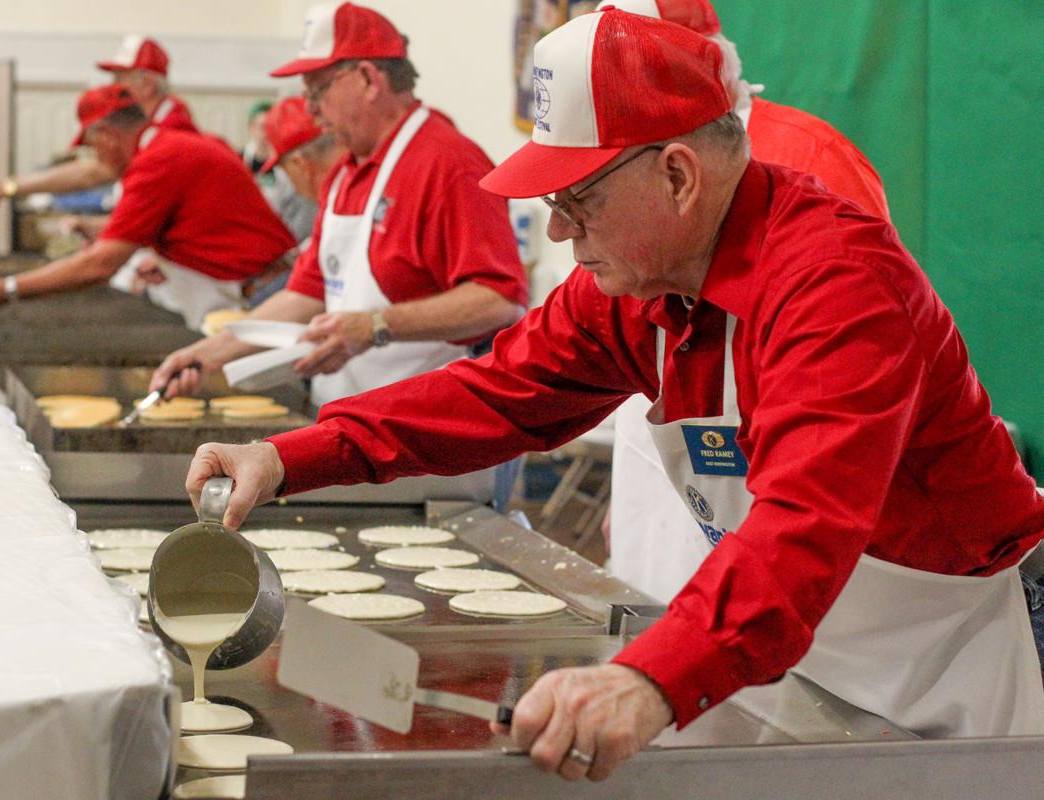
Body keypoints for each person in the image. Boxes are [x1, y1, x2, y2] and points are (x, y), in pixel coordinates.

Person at [184, 9, 1044, 782]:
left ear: (678, 176)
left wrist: (648, 680)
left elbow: (803, 528)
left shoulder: (836, 286)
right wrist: (286, 458)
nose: (558, 229)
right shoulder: (639, 289)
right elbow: (496, 393)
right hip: (778, 660)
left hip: (931, 675)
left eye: (576, 199)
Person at [599, 0, 892, 603]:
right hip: (660, 445)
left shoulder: (811, 155)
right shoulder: (618, 157)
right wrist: (624, 493)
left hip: (770, 470)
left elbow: (859, 355)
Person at [150, 1, 526, 411]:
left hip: (423, 421)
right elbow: (307, 293)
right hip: (350, 413)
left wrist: (375, 325)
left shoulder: (448, 164)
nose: (311, 109)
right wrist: (208, 353)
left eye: (318, 90)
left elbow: (498, 301)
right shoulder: (347, 173)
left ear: (368, 79)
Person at [0, 85, 295, 328]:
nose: (95, 157)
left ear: (106, 136)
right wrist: (6, 188)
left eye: (93, 146)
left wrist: (7, 288)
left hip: (265, 293)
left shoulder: (157, 161)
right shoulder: (166, 145)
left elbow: (100, 264)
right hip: (259, 286)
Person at [0, 35, 197, 210]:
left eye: (120, 78)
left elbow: (98, 172)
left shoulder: (171, 126)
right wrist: (5, 187)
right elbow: (96, 169)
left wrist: (5, 188)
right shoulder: (149, 123)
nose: (113, 87)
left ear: (148, 85)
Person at [244, 96, 346, 305]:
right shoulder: (343, 194)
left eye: (285, 170)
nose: (290, 181)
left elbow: (307, 290)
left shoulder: (335, 203)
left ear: (300, 165)